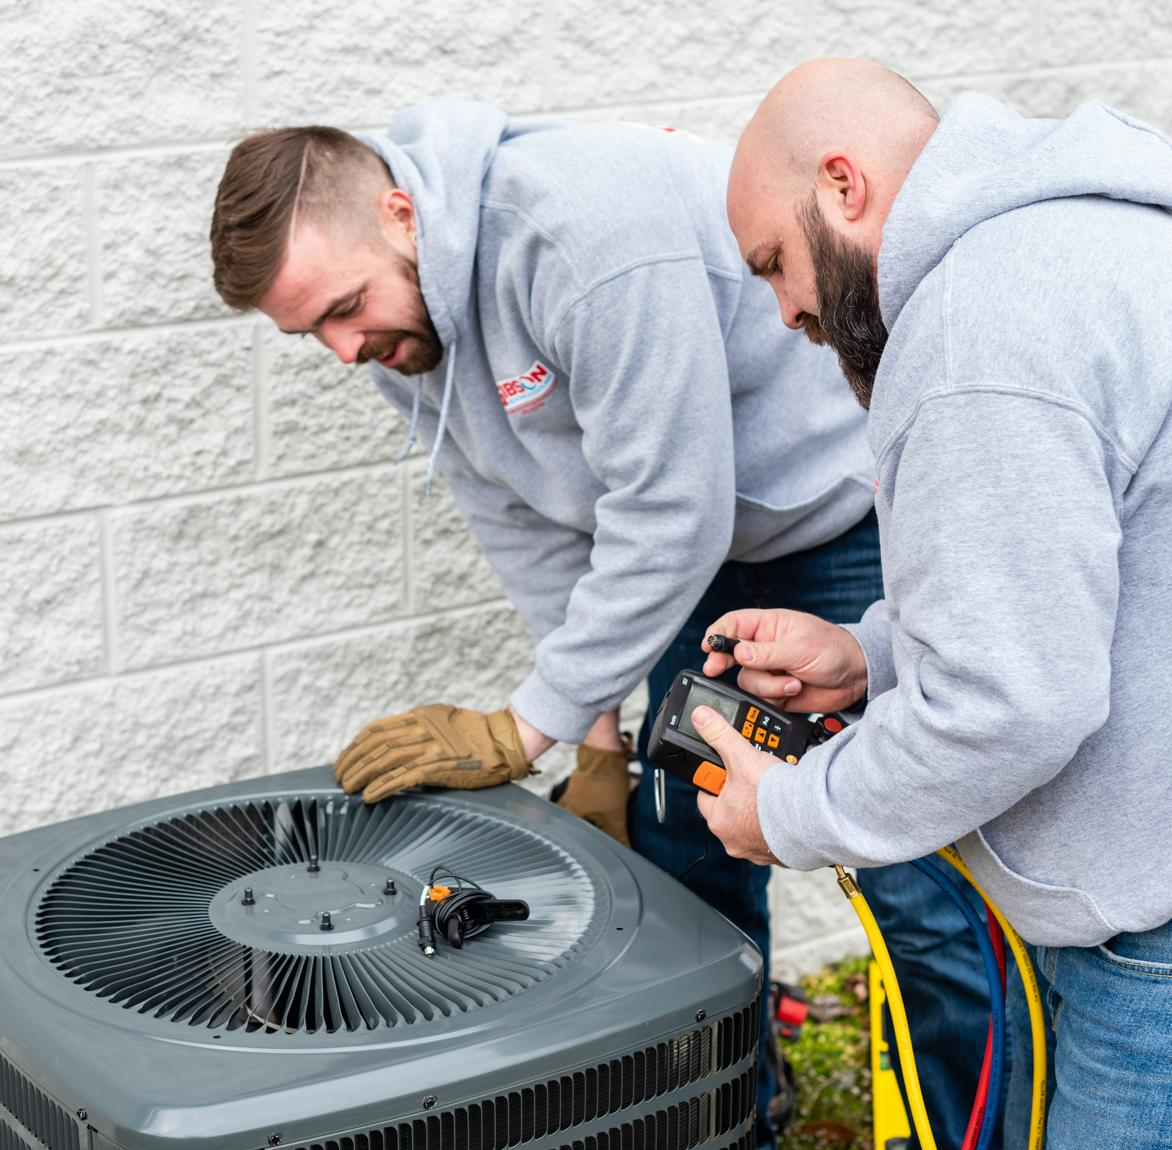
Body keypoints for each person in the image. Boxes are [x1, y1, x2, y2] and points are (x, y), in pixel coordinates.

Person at [208, 108, 983, 1146]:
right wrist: (594, 738)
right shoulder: (405, 330)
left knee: (907, 873)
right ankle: (727, 1113)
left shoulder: (576, 229)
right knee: (683, 855)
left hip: (824, 515)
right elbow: (525, 524)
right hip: (680, 560)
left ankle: (969, 1120)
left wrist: (522, 727)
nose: (345, 352)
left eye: (344, 309)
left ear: (401, 213)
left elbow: (672, 508)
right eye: (313, 334)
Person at [695, 57, 1172, 1150]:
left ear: (842, 183)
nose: (782, 313)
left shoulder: (977, 331)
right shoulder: (1101, 237)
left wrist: (783, 811)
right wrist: (870, 655)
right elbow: (1099, 584)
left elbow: (1007, 704)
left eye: (772, 262)